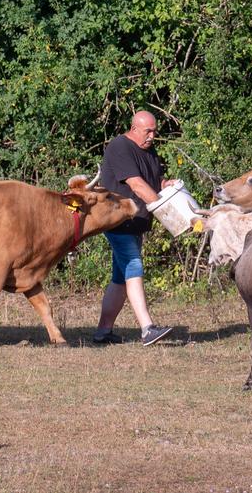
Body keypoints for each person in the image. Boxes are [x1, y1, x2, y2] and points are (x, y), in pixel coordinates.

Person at [93, 110, 176, 346]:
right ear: (134, 128)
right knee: (133, 264)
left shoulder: (149, 150)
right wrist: (165, 208)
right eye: (148, 131)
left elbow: (152, 181)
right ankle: (147, 329)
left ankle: (103, 331)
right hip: (119, 219)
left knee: (120, 279)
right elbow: (137, 185)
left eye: (154, 130)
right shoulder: (120, 147)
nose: (152, 136)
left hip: (137, 222)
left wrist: (165, 185)